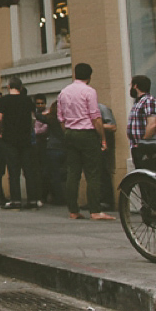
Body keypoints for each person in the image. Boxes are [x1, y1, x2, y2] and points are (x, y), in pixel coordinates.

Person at [53, 63, 113, 220]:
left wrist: (67, 132)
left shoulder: (64, 92)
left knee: (73, 172)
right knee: (93, 172)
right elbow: (96, 117)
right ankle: (95, 210)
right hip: (87, 133)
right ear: (89, 76)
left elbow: (60, 118)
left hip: (70, 133)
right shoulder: (89, 91)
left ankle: (73, 209)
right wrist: (103, 139)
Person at [0, 77, 40, 208]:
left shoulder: (3, 101)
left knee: (13, 170)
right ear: (20, 87)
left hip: (9, 139)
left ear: (9, 87)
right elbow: (33, 118)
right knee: (28, 170)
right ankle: (32, 200)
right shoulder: (27, 100)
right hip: (25, 139)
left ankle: (16, 200)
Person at [126, 74, 156, 170]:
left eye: (131, 85)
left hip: (146, 147)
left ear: (136, 86)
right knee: (140, 176)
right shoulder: (138, 102)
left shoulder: (148, 101)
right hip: (136, 146)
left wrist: (143, 142)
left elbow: (152, 124)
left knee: (147, 175)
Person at [98, 101, 118, 209]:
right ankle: (97, 199)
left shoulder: (102, 108)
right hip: (92, 144)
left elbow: (112, 126)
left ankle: (107, 201)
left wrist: (97, 125)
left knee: (103, 171)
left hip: (103, 144)